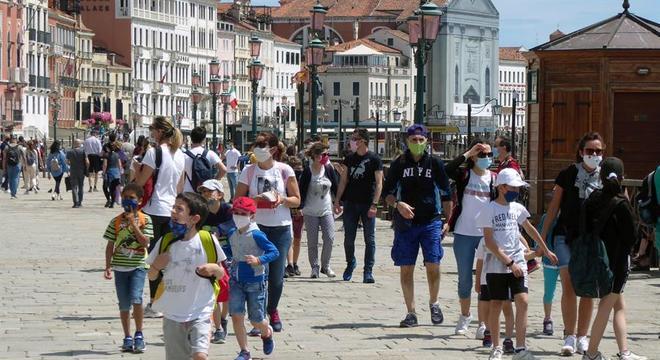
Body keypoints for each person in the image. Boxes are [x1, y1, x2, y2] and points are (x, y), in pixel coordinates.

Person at [477, 168, 557, 360]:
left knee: (523, 301)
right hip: (497, 265)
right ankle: (496, 347)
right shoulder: (489, 209)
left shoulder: (518, 208)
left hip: (518, 263)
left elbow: (530, 229)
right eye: (514, 187)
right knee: (496, 304)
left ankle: (520, 348)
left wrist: (545, 249)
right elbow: (489, 242)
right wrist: (508, 262)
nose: (517, 191)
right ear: (502, 187)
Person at [540, 132, 605, 355]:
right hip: (564, 236)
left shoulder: (606, 176)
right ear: (581, 152)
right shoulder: (568, 174)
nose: (594, 155)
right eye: (590, 151)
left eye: (598, 151)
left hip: (590, 239)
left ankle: (582, 337)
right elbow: (553, 208)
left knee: (587, 289)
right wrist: (542, 238)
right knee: (568, 283)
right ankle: (568, 335)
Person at [382, 124, 452, 327]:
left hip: (430, 220)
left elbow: (446, 193)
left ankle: (434, 302)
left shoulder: (435, 163)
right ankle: (411, 311)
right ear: (407, 141)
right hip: (406, 223)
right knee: (406, 267)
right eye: (414, 140)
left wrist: (447, 221)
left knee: (433, 264)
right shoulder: (399, 164)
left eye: (421, 140)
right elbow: (387, 193)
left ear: (427, 141)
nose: (418, 143)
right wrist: (398, 204)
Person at [579, 158, 647, 360]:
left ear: (601, 175)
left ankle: (624, 351)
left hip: (596, 261)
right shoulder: (621, 203)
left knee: (618, 305)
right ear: (622, 176)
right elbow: (632, 236)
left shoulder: (592, 199)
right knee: (606, 306)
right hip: (617, 263)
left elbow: (582, 228)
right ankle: (591, 353)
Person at [146, 192, 226, 360]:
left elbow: (222, 274)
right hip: (172, 313)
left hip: (201, 311)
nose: (173, 211)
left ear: (194, 219)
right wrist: (156, 266)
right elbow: (152, 276)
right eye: (173, 207)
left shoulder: (207, 240)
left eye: (179, 209)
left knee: (200, 355)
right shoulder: (165, 241)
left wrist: (213, 268)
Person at [235, 132, 301, 333]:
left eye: (262, 145)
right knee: (258, 273)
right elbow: (238, 200)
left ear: (272, 149)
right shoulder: (248, 170)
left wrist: (281, 199)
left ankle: (273, 309)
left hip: (280, 226)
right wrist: (253, 202)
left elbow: (297, 200)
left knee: (277, 276)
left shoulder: (284, 169)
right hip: (256, 228)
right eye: (257, 144)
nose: (257, 148)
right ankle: (259, 315)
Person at [133, 116, 185, 318]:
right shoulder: (180, 155)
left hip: (154, 210)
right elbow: (180, 187)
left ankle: (155, 304)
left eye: (152, 129)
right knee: (170, 258)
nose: (150, 133)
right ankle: (171, 300)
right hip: (172, 211)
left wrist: (136, 170)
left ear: (160, 132)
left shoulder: (153, 153)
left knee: (154, 260)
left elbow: (140, 182)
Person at [445, 140, 497, 335]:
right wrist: (468, 153)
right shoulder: (464, 175)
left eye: (488, 155)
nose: (486, 159)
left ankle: (483, 323)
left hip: (487, 234)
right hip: (464, 232)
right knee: (465, 279)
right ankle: (465, 315)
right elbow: (447, 169)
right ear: (474, 156)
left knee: (486, 279)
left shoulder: (495, 178)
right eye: (481, 154)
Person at [225, 197, 278, 360]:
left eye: (243, 213)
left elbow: (274, 252)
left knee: (256, 319)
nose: (239, 216)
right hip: (235, 280)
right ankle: (244, 351)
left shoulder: (257, 234)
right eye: (236, 213)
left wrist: (258, 260)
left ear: (252, 216)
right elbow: (230, 250)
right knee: (236, 315)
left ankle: (266, 333)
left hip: (255, 281)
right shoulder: (232, 233)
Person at [103, 184, 153, 353]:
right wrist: (108, 266)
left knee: (136, 298)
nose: (127, 201)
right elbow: (110, 245)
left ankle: (139, 334)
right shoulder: (116, 221)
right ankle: (127, 336)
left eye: (132, 197)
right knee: (124, 304)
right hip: (120, 267)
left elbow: (145, 242)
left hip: (138, 265)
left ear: (139, 200)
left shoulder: (146, 220)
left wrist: (134, 223)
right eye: (125, 197)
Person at [334, 128, 383, 283]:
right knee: (349, 238)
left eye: (355, 138)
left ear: (363, 141)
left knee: (370, 238)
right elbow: (343, 180)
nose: (352, 141)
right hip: (351, 202)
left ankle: (368, 271)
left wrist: (374, 204)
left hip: (367, 202)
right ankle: (350, 263)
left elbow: (379, 183)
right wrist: (337, 200)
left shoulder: (374, 159)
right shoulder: (349, 158)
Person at [196, 179, 234, 345]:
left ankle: (223, 319)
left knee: (227, 294)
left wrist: (219, 230)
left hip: (229, 256)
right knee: (214, 293)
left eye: (209, 191)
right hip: (209, 257)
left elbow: (233, 225)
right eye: (203, 192)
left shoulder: (228, 210)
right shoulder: (201, 211)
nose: (205, 195)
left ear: (220, 194)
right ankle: (218, 328)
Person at [299, 142, 339, 278]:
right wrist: (300, 207)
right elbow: (302, 190)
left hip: (326, 209)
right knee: (312, 241)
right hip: (310, 211)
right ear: (315, 156)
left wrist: (339, 202)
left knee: (329, 237)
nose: (326, 157)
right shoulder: (307, 171)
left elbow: (335, 187)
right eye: (323, 154)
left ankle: (325, 266)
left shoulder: (328, 168)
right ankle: (314, 267)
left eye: (327, 154)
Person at [475, 238, 515, 348]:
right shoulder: (484, 240)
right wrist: (477, 280)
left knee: (507, 307)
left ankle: (508, 338)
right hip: (486, 278)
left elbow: (524, 250)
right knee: (487, 307)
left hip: (506, 277)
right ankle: (488, 331)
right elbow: (480, 260)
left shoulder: (511, 237)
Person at [183, 127, 226, 193]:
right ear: (204, 139)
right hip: (205, 192)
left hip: (188, 192)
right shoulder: (209, 153)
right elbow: (223, 169)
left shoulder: (184, 155)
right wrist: (214, 180)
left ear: (191, 139)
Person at [285, 155, 304, 277]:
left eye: (300, 169)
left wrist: (301, 208)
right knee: (289, 239)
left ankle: (294, 263)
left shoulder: (303, 179)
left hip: (299, 211)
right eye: (296, 169)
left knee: (297, 238)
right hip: (287, 211)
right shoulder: (287, 179)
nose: (299, 172)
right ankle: (290, 264)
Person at [66, 139, 89, 208]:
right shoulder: (83, 151)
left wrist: (72, 164)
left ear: (74, 144)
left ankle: (75, 202)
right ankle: (80, 202)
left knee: (74, 187)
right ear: (79, 144)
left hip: (73, 170)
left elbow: (67, 162)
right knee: (81, 186)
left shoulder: (69, 152)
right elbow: (87, 162)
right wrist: (86, 168)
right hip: (81, 171)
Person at [103, 141, 123, 208]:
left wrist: (103, 172)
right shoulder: (117, 155)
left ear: (108, 148)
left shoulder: (106, 155)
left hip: (110, 172)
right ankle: (113, 202)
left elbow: (105, 165)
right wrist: (120, 172)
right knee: (114, 188)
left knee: (108, 187)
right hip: (116, 172)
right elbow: (120, 164)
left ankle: (110, 201)